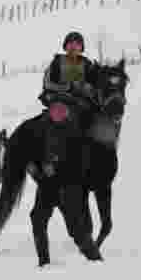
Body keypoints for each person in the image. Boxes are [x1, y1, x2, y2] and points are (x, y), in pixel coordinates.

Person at [38, 31, 96, 174]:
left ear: (81, 47)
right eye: (70, 44)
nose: (73, 47)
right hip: (59, 98)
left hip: (81, 100)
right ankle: (49, 159)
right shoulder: (57, 62)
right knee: (58, 115)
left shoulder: (87, 64)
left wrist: (88, 88)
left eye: (77, 44)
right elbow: (47, 83)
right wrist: (68, 87)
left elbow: (94, 84)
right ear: (65, 46)